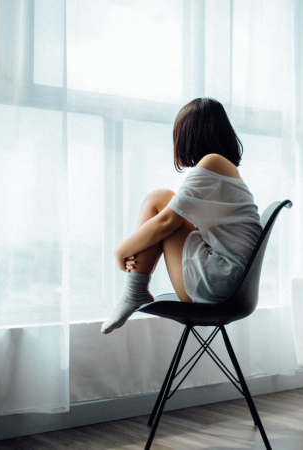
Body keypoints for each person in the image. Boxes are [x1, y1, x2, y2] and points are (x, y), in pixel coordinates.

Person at [101, 98, 262, 334]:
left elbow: (167, 223)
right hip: (229, 282)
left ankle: (134, 291)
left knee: (158, 201)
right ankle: (135, 290)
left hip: (218, 284)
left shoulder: (213, 162)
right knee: (162, 199)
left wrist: (120, 251)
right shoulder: (223, 168)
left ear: (189, 135)